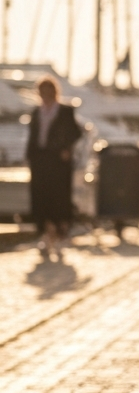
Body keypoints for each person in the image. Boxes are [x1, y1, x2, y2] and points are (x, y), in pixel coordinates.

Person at [26, 75, 82, 258]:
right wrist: (30, 156)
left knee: (59, 196)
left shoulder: (65, 111)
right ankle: (46, 232)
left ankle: (60, 233)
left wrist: (66, 149)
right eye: (42, 91)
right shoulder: (36, 111)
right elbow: (33, 136)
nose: (45, 94)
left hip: (59, 160)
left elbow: (75, 132)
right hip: (40, 159)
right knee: (41, 196)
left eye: (48, 91)